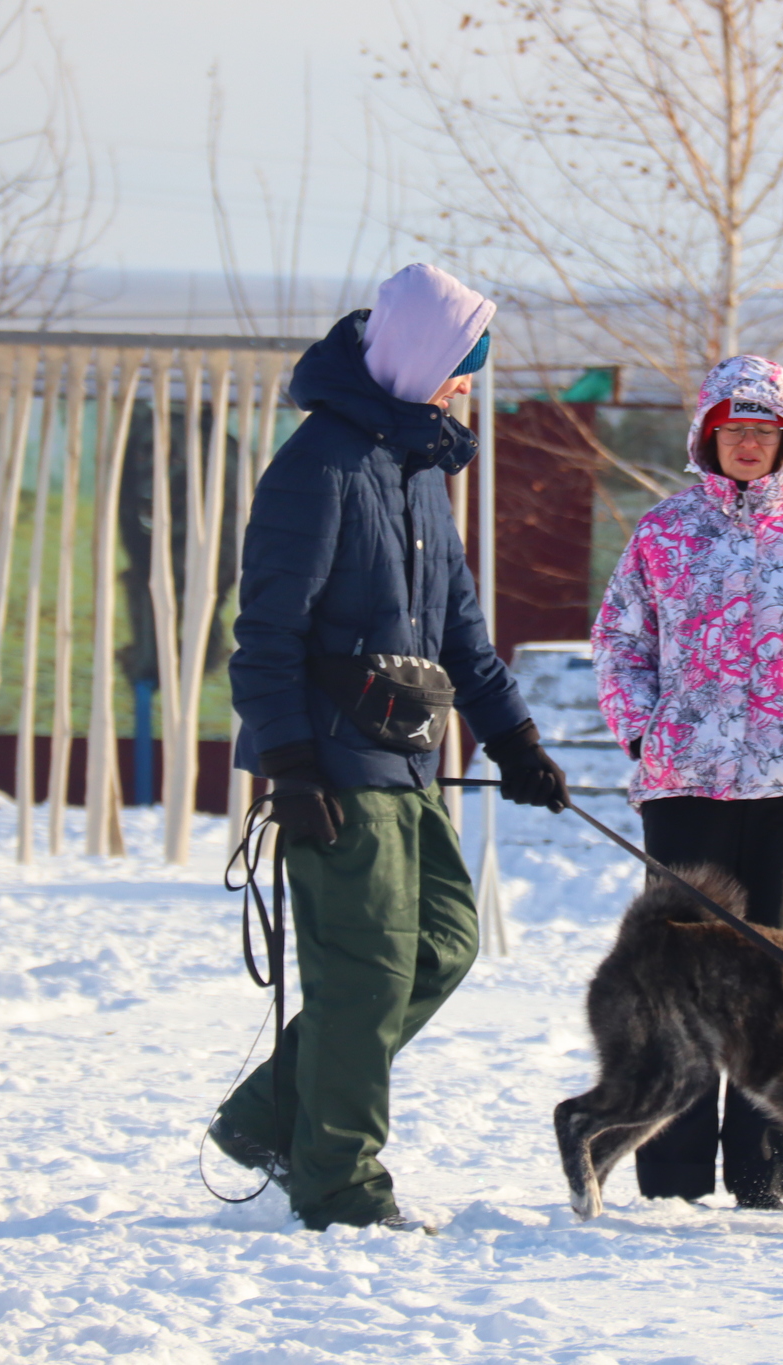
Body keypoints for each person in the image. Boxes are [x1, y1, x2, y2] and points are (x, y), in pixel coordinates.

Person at [212, 263, 569, 1232]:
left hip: (407, 755)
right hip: (332, 761)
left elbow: (459, 629)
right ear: (417, 360)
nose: (466, 386)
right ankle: (338, 1184)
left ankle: (265, 1115)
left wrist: (516, 739)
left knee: (443, 946)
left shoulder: (414, 468)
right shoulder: (319, 466)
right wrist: (286, 768)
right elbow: (266, 634)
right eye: (461, 368)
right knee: (363, 976)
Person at [591, 353, 783, 1210]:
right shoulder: (664, 532)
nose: (750, 445)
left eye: (766, 431)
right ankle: (673, 1175)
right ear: (708, 436)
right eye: (736, 431)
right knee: (679, 977)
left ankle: (763, 1175)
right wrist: (646, 726)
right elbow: (620, 638)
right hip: (684, 782)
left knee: (780, 985)